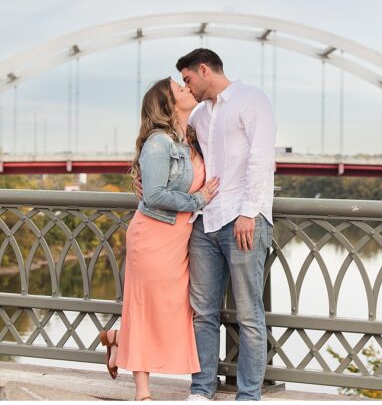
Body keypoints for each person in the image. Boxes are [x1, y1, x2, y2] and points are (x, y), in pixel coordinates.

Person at [99, 77, 220, 401]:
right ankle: (142, 392)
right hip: (153, 236)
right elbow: (153, 194)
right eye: (179, 89)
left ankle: (117, 339)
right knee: (144, 307)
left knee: (171, 309)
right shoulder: (158, 142)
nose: (186, 89)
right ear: (167, 104)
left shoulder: (189, 139)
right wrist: (199, 201)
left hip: (179, 239)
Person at [177, 48, 277, 401]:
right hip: (206, 222)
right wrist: (141, 178)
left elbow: (261, 159)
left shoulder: (252, 100)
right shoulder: (199, 117)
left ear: (204, 70)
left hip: (242, 219)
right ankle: (202, 389)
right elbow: (178, 155)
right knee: (203, 312)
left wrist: (249, 212)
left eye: (188, 80)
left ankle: (249, 395)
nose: (187, 89)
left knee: (249, 314)